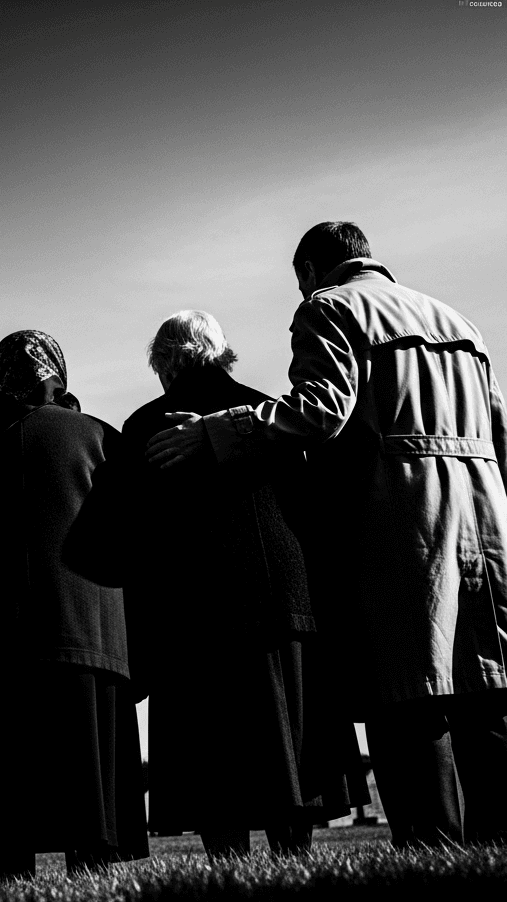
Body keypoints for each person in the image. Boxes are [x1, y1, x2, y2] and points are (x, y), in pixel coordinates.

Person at [147, 222, 507, 848]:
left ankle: (432, 848)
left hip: (402, 515)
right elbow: (500, 429)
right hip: (486, 513)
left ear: (311, 271)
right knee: (487, 689)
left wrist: (215, 431)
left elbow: (318, 411)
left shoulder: (329, 308)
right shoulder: (460, 321)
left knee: (410, 691)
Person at [67, 311, 365, 859]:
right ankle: (293, 862)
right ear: (222, 353)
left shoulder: (145, 426)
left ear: (163, 365)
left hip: (193, 610)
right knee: (286, 756)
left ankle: (228, 867)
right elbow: (311, 506)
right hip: (282, 600)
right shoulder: (267, 412)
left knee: (211, 765)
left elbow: (109, 535)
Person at [0, 330, 149, 882]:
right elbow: (138, 540)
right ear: (59, 373)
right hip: (88, 643)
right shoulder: (101, 439)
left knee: (5, 820)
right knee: (93, 817)